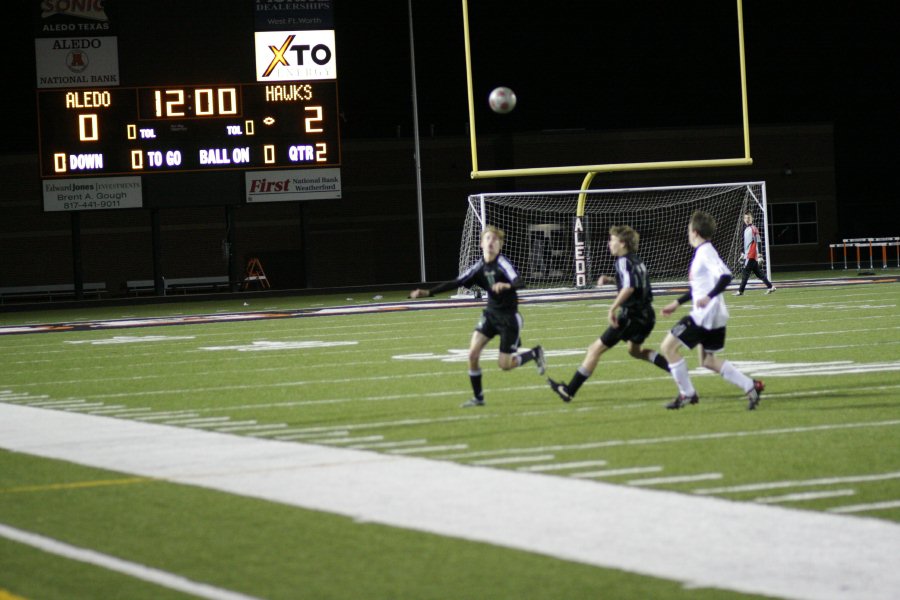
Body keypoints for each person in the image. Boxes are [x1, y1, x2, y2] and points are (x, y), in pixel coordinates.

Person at [409, 225, 546, 407]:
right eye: (488, 238)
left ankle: (535, 353)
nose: (491, 242)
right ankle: (478, 398)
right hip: (490, 315)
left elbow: (519, 282)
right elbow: (457, 282)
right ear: (481, 243)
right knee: (472, 355)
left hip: (508, 319)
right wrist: (428, 292)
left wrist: (506, 286)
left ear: (500, 245)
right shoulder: (479, 266)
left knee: (505, 365)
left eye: (495, 239)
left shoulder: (503, 264)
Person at [547, 225, 669, 403]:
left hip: (631, 316)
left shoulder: (623, 261)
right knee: (635, 351)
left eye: (612, 240)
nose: (608, 243)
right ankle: (676, 369)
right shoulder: (636, 260)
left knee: (594, 349)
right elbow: (634, 281)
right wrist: (611, 279)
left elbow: (629, 287)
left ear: (622, 243)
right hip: (646, 315)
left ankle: (569, 390)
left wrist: (612, 308)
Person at [660, 210, 765, 410]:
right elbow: (700, 287)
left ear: (696, 232)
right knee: (707, 361)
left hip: (704, 316)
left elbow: (726, 276)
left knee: (668, 347)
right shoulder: (704, 252)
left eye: (689, 230)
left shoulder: (705, 252)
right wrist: (677, 303)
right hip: (714, 315)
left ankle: (688, 394)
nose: (688, 233)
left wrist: (708, 297)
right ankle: (751, 386)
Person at [733, 211, 775, 295]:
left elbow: (758, 241)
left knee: (745, 272)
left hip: (751, 255)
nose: (747, 219)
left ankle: (740, 291)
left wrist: (759, 254)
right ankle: (771, 287)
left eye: (748, 218)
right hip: (748, 254)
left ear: (752, 218)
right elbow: (746, 244)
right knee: (759, 273)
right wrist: (742, 254)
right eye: (745, 218)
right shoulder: (746, 229)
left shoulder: (753, 228)